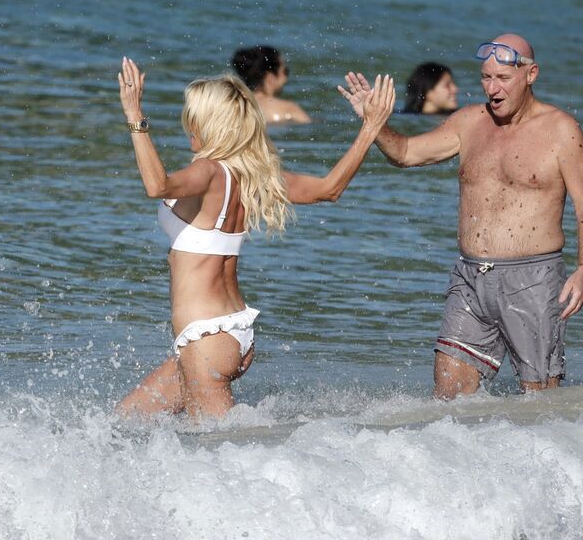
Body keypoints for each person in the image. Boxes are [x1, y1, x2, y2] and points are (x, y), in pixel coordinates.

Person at [117, 56, 395, 418]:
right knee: (125, 422)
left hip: (206, 338)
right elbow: (330, 188)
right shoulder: (253, 175)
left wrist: (135, 116)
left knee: (220, 447)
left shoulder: (208, 171)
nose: (188, 126)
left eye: (192, 118)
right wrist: (370, 127)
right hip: (229, 331)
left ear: (210, 124)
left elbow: (157, 185)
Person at [338, 33, 583, 399]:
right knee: (449, 399)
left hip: (533, 280)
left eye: (503, 78)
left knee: (540, 400)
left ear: (531, 74)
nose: (492, 88)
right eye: (486, 78)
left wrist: (582, 271)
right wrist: (373, 122)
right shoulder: (469, 122)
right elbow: (406, 153)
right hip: (470, 279)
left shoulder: (561, 130)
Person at [231, 46, 311, 124]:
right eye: (285, 71)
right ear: (270, 77)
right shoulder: (289, 109)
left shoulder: (234, 106)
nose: (286, 78)